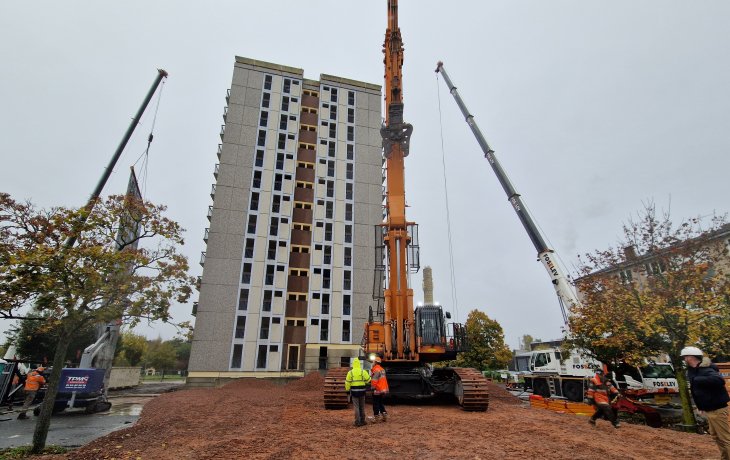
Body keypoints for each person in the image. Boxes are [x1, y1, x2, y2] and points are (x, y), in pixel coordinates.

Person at [681, 346, 730, 460]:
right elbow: (698, 392)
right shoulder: (694, 371)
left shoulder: (706, 370)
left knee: (725, 439)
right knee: (716, 437)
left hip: (717, 410)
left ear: (691, 357)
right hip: (709, 410)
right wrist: (700, 406)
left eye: (685, 357)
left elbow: (720, 380)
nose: (684, 360)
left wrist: (697, 380)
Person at [344, 357, 371, 427]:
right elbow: (368, 380)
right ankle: (363, 420)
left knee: (356, 407)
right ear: (359, 364)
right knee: (362, 406)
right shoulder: (363, 371)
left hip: (354, 391)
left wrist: (347, 390)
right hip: (362, 391)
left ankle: (357, 422)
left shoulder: (350, 372)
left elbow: (347, 382)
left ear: (353, 364)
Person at [370, 356, 389, 422]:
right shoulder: (382, 369)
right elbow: (383, 380)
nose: (372, 363)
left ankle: (376, 417)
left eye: (373, 362)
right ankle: (384, 415)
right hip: (382, 389)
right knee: (380, 403)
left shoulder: (375, 370)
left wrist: (372, 388)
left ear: (375, 362)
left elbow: (374, 381)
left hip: (377, 389)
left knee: (375, 403)